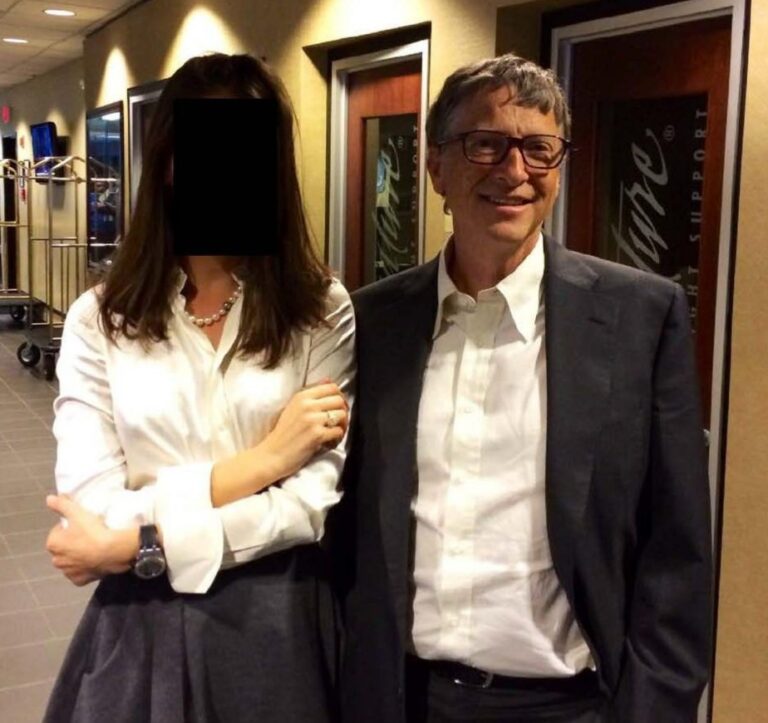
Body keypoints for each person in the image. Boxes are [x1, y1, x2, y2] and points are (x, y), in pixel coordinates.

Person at [333, 54, 711, 723]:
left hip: (571, 706)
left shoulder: (640, 318)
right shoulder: (371, 321)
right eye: (486, 144)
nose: (515, 172)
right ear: (436, 166)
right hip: (401, 699)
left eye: (540, 149)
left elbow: (676, 553)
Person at [43, 53, 354, 722]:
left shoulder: (320, 309)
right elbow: (94, 504)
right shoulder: (100, 319)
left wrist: (133, 545)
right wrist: (265, 462)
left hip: (278, 620)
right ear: (167, 165)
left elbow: (308, 505)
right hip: (141, 619)